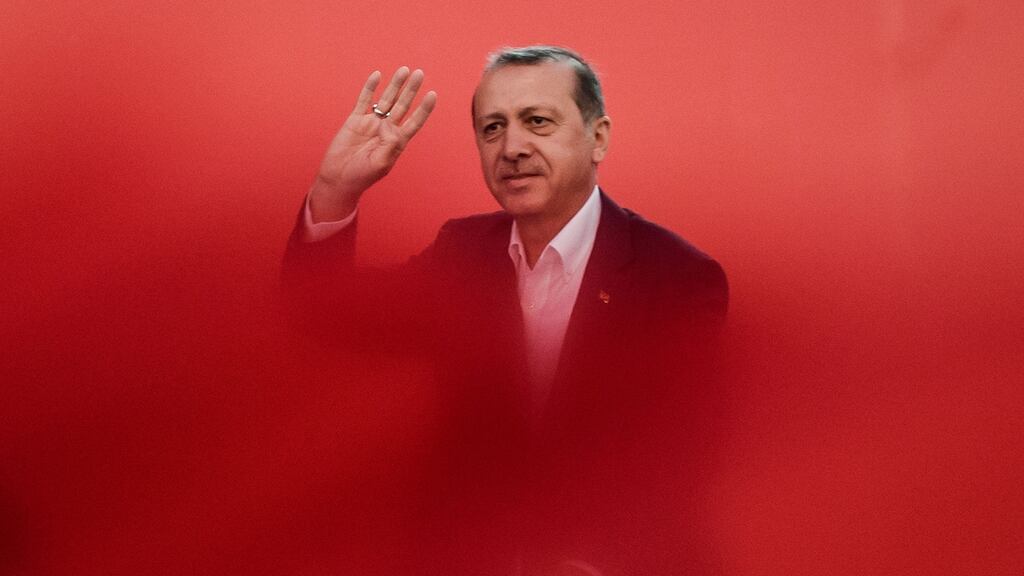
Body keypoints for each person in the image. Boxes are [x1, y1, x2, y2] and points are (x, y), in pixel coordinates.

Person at [282, 46, 728, 576]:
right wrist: (336, 190)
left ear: (598, 137)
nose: (512, 148)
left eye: (537, 121)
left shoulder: (677, 276)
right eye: (493, 128)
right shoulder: (463, 252)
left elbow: (680, 460)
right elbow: (324, 312)